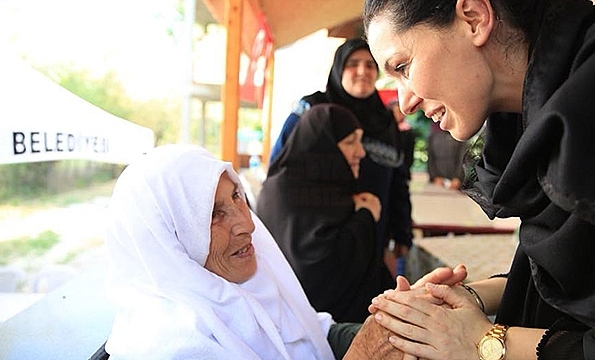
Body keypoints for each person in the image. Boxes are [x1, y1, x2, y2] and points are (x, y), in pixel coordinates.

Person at [360, 0, 595, 359]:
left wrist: (484, 341)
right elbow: (568, 280)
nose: (405, 103)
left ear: (474, 18)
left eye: (403, 66)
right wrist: (466, 297)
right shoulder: (528, 130)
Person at [103, 144, 357, 360]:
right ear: (169, 242)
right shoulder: (167, 347)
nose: (248, 225)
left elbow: (312, 331)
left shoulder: (251, 278)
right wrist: (364, 352)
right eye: (213, 214)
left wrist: (385, 327)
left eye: (237, 196)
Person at [270, 37, 413, 284]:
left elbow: (397, 180)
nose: (362, 71)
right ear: (338, 67)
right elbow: (280, 170)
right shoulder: (312, 110)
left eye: (370, 65)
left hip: (371, 239)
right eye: (353, 63)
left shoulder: (385, 120)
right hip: (316, 245)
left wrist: (401, 234)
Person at [256, 103, 386, 324]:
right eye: (349, 142)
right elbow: (317, 271)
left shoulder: (321, 188)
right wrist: (365, 216)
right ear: (322, 147)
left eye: (360, 140)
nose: (361, 152)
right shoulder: (286, 193)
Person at [427, 120, 466, 190]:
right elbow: (430, 158)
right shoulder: (433, 135)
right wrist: (435, 177)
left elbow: (462, 157)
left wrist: (458, 177)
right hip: (438, 182)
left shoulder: (459, 135)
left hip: (456, 182)